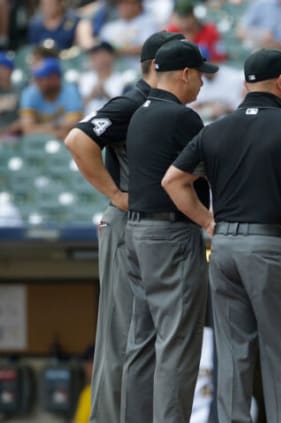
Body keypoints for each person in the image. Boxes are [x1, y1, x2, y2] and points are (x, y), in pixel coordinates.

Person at [162, 48, 281, 423]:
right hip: (271, 246)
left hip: (224, 249)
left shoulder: (216, 128)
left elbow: (173, 180)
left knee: (234, 356)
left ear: (245, 84)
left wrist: (207, 222)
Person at [64, 31, 185, 423]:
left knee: (143, 336)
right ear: (156, 65)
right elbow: (78, 139)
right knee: (121, 334)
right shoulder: (132, 103)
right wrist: (115, 193)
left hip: (151, 227)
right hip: (126, 222)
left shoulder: (160, 108)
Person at [121, 39, 218, 423]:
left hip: (137, 235)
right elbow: (177, 182)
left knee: (142, 344)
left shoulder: (141, 111)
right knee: (177, 344)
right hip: (170, 236)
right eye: (200, 76)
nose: (203, 85)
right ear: (185, 74)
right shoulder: (182, 117)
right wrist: (207, 220)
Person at [19, 58, 82, 139]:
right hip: (39, 141)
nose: (37, 82)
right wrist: (56, 130)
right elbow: (28, 129)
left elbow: (73, 124)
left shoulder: (70, 91)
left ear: (55, 77)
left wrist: (39, 128)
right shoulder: (29, 93)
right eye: (36, 78)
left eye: (41, 78)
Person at [79, 40, 127, 116]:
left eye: (102, 54)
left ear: (112, 56)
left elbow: (124, 108)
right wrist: (92, 94)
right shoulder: (84, 78)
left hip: (113, 122)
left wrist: (105, 94)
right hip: (87, 123)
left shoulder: (122, 79)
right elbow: (76, 107)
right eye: (95, 54)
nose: (98, 58)